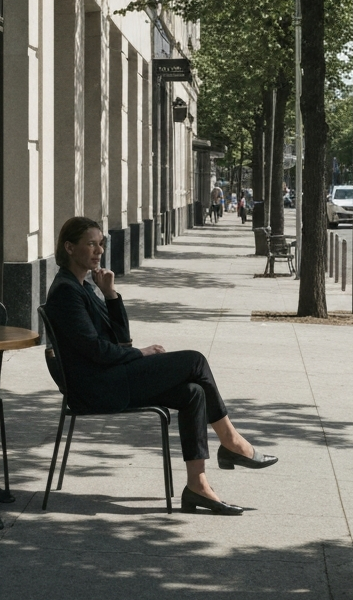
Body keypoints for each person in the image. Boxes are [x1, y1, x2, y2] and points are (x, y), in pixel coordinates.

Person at [44, 216, 277, 515]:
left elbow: (120, 341)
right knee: (195, 360)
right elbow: (98, 350)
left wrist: (111, 295)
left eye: (101, 243)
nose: (99, 250)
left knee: (193, 392)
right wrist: (142, 354)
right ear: (69, 247)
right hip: (97, 387)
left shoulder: (84, 287)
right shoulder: (66, 291)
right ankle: (231, 441)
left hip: (109, 377)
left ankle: (197, 485)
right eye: (91, 244)